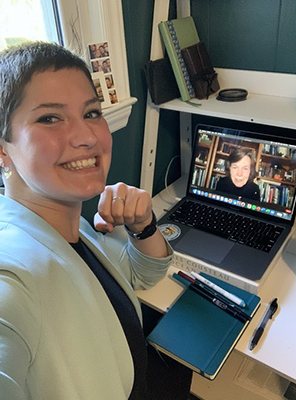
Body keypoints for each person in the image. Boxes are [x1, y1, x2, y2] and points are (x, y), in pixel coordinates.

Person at [0, 42, 192, 400]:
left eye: (91, 113)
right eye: (49, 118)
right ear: (2, 150)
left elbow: (141, 275)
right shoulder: (13, 272)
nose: (87, 137)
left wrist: (144, 225)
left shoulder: (76, 229)